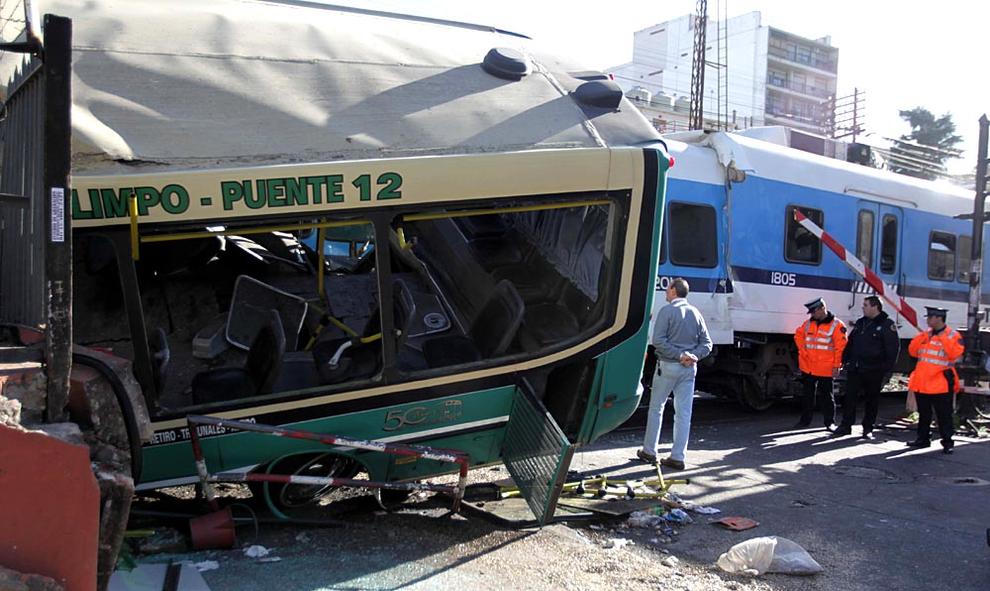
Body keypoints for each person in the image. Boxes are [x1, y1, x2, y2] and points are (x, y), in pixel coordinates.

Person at [638, 278, 713, 470]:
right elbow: (707, 344)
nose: (665, 291)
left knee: (657, 408)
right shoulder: (696, 313)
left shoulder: (667, 311)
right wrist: (693, 356)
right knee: (683, 414)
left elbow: (658, 341)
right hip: (689, 370)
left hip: (668, 366)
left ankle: (649, 451)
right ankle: (678, 456)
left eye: (667, 287)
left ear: (673, 290)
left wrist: (680, 355)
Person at [834, 296, 900, 439]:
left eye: (865, 305)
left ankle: (867, 428)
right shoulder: (861, 323)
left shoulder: (887, 325)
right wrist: (845, 360)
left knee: (871, 400)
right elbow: (851, 343)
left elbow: (893, 349)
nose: (863, 307)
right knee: (849, 398)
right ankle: (846, 425)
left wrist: (885, 369)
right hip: (856, 368)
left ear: (875, 307)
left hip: (873, 370)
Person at [906, 306, 963, 454]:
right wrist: (922, 337)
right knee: (924, 413)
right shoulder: (925, 335)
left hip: (940, 382)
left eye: (930, 317)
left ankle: (948, 442)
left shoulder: (952, 335)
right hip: (923, 382)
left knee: (944, 414)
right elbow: (912, 351)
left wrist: (941, 337)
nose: (928, 320)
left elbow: (954, 354)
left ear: (939, 318)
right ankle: (923, 439)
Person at [793, 298, 847, 430]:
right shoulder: (808, 324)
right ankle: (805, 421)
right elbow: (798, 336)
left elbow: (840, 348)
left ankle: (829, 422)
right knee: (807, 396)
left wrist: (836, 366)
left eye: (813, 311)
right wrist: (803, 351)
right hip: (809, 367)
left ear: (822, 308)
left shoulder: (837, 325)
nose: (812, 314)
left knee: (827, 397)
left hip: (825, 368)